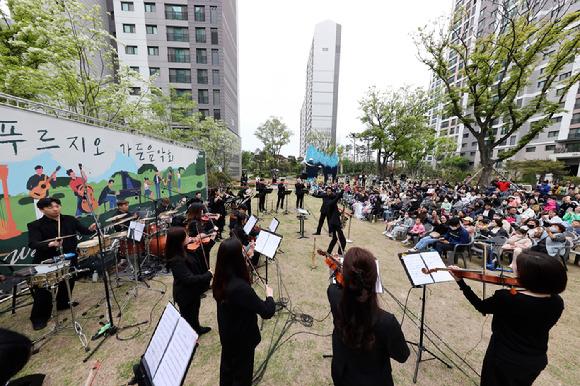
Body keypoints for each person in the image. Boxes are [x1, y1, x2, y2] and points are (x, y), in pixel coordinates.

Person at [449, 250, 566, 386]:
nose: (513, 267)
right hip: (535, 360)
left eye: (516, 266)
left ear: (528, 275)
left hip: (504, 359)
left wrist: (460, 282)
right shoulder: (557, 301)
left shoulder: (507, 298)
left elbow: (481, 306)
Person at [327, 247, 409, 385]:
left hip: (342, 374)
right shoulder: (387, 322)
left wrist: (341, 268)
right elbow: (402, 356)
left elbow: (337, 287)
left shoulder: (333, 295)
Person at [27, 197, 97, 330]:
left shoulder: (70, 219)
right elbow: (33, 243)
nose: (55, 209)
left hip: (69, 256)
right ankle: (39, 317)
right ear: (42, 210)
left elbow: (84, 231)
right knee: (45, 289)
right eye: (50, 207)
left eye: (57, 206)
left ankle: (63, 303)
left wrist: (91, 229)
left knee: (69, 280)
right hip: (47, 260)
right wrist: (50, 244)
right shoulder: (35, 225)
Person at [212, 238, 275, 385]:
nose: (245, 254)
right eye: (242, 253)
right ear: (236, 259)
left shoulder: (220, 279)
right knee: (242, 378)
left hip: (228, 337)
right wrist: (270, 296)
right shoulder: (240, 288)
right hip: (241, 342)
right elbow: (266, 311)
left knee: (228, 373)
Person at [165, 227, 213, 335]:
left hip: (193, 292)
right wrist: (207, 275)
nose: (189, 237)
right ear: (179, 241)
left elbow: (200, 255)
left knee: (195, 312)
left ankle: (197, 328)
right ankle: (192, 334)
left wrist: (210, 241)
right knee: (189, 316)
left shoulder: (186, 249)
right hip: (185, 294)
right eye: (186, 236)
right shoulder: (176, 260)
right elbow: (189, 279)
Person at [327, 190, 347, 255]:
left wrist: (341, 213)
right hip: (335, 224)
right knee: (343, 240)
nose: (338, 201)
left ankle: (328, 252)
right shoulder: (331, 203)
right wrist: (343, 190)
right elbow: (337, 197)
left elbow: (336, 213)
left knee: (334, 239)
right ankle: (340, 253)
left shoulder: (333, 205)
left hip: (333, 223)